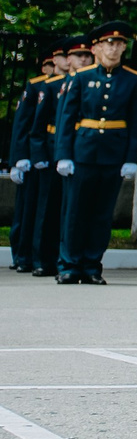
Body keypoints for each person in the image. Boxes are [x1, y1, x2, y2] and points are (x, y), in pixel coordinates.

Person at [51, 22, 137, 284]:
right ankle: (69, 264)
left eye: (119, 43)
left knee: (102, 214)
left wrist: (130, 159)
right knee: (75, 212)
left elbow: (134, 122)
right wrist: (64, 154)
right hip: (82, 153)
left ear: (125, 47)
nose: (114, 48)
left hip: (112, 155)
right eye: (109, 43)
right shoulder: (81, 78)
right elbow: (67, 119)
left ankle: (92, 265)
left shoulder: (132, 79)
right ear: (98, 47)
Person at [11, 44, 69, 275]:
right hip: (37, 155)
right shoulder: (38, 87)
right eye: (65, 56)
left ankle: (41, 256)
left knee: (48, 208)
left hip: (55, 153)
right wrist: (20, 157)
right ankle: (23, 255)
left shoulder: (73, 85)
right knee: (29, 210)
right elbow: (24, 125)